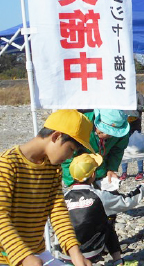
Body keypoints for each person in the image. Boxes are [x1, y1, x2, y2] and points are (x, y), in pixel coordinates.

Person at [0, 109, 93, 266]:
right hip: (6, 257)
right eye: (70, 149)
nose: (70, 156)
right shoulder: (8, 163)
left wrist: (75, 252)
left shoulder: (53, 168)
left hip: (37, 254)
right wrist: (24, 257)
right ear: (56, 136)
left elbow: (57, 210)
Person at [60, 153, 144, 264]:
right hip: (90, 253)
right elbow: (129, 201)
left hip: (65, 253)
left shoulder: (64, 197)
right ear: (93, 175)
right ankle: (118, 261)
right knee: (108, 221)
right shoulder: (99, 196)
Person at [62, 109, 130, 187]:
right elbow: (67, 156)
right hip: (79, 172)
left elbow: (117, 150)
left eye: (112, 134)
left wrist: (111, 169)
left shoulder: (122, 131)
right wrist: (72, 182)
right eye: (103, 131)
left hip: (101, 172)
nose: (107, 136)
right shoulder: (79, 125)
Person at [120, 90, 144, 181]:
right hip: (124, 126)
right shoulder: (121, 94)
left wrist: (135, 106)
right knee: (123, 149)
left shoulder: (138, 95)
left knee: (138, 148)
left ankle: (140, 171)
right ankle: (124, 172)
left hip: (135, 125)